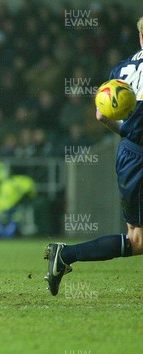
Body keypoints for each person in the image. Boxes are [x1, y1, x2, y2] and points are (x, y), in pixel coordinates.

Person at [44, 17, 143, 296]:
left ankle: (65, 256)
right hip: (139, 161)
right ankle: (66, 255)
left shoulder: (122, 69)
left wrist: (128, 136)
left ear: (140, 38)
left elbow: (101, 114)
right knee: (137, 240)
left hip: (130, 154)